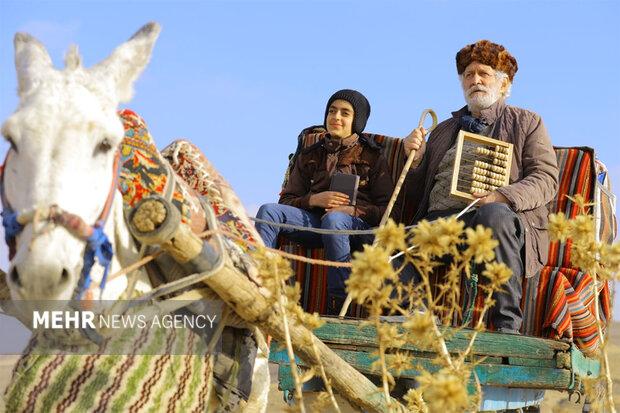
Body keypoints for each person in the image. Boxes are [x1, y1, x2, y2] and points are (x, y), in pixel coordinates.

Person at [393, 40, 559, 333]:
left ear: (503, 83)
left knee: (493, 215)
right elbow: (418, 193)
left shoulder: (527, 122)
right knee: (399, 237)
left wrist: (501, 196)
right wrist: (416, 161)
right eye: (468, 75)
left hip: (499, 222)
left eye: (484, 73)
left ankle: (507, 327)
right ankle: (410, 319)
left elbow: (546, 179)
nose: (475, 80)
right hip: (443, 223)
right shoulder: (443, 130)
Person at [256, 89, 394, 314]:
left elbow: (388, 209)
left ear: (356, 121)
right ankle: (260, 285)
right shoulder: (309, 153)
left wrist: (352, 210)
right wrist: (313, 200)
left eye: (345, 113)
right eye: (332, 111)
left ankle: (339, 304)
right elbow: (288, 200)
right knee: (268, 211)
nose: (336, 117)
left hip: (354, 229)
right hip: (314, 223)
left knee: (335, 219)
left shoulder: (373, 157)